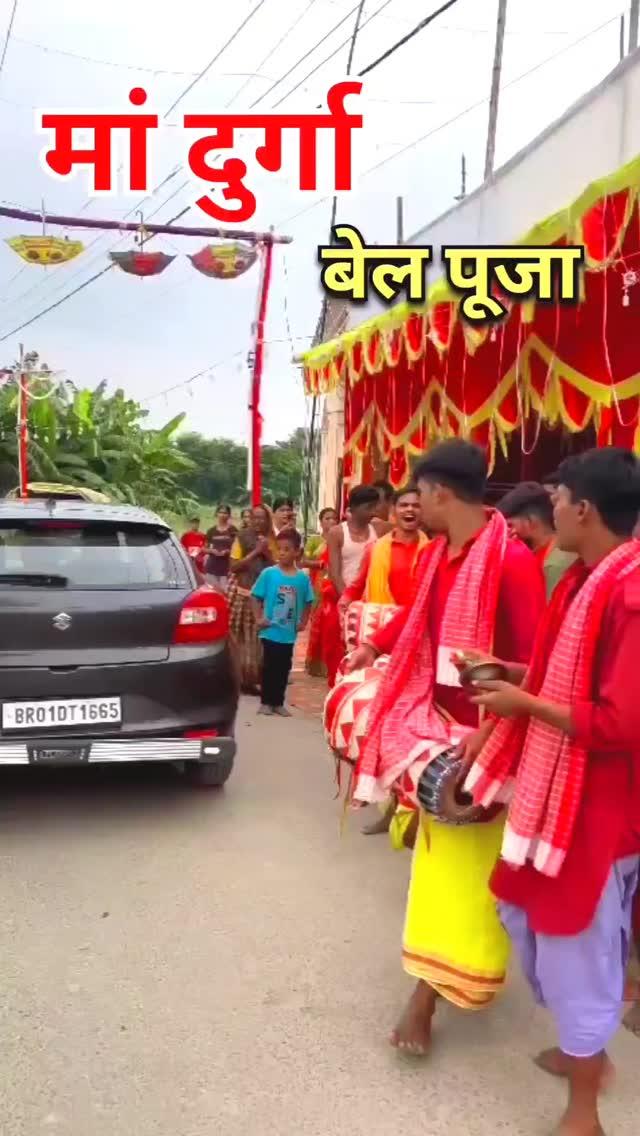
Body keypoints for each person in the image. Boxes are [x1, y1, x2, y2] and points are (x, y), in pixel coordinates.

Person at [347, 439, 544, 1055]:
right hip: (433, 730)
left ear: (438, 492)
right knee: (444, 870)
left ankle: (428, 996)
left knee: (456, 877)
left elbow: (541, 664)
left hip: (490, 743)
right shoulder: (439, 556)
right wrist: (374, 649)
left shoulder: (510, 563)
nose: (410, 507)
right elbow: (414, 617)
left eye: (418, 495)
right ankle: (456, 975)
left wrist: (487, 724)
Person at [466, 447, 640, 1136]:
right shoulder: (581, 581)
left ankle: (585, 1109)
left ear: (585, 509)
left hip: (599, 812)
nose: (552, 509)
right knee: (528, 923)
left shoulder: (628, 593)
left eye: (560, 497)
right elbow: (561, 675)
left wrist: (523, 705)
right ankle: (583, 1050)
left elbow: (620, 722)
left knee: (578, 950)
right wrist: (511, 671)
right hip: (558, 798)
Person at [251, 529, 314, 717]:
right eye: (279, 549)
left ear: (297, 552)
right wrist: (259, 618)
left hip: (288, 634)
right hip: (270, 631)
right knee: (269, 666)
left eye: (287, 549)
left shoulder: (302, 578)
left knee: (283, 667)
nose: (282, 553)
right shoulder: (269, 574)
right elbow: (255, 597)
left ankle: (278, 702)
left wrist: (303, 622)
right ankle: (265, 702)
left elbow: (309, 601)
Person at [324, 485, 379, 686]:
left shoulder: (379, 529)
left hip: (371, 602)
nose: (373, 512)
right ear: (354, 508)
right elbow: (335, 572)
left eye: (375, 507)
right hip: (343, 599)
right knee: (339, 652)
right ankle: (337, 690)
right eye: (368, 507)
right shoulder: (337, 532)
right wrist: (347, 603)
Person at [340, 486, 428, 609]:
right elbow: (357, 586)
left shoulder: (432, 551)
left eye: (416, 506)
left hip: (419, 624)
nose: (410, 509)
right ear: (393, 510)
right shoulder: (374, 549)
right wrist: (345, 600)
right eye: (404, 505)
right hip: (383, 623)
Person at [228, 505, 278, 693]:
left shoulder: (274, 539)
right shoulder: (241, 537)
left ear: (268, 520)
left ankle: (260, 678)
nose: (258, 521)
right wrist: (256, 551)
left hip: (267, 597)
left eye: (262, 518)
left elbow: (280, 566)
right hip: (245, 594)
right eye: (254, 517)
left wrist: (267, 553)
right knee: (243, 639)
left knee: (263, 640)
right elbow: (234, 566)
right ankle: (243, 680)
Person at [499, 481, 576, 599]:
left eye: (510, 525)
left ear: (530, 522)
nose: (506, 532)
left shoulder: (555, 563)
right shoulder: (539, 552)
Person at [303, 507, 338, 677]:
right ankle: (315, 665)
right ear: (321, 521)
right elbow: (303, 561)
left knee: (332, 625)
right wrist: (321, 565)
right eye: (327, 518)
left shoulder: (341, 539)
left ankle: (330, 664)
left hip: (335, 584)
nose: (331, 522)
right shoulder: (315, 541)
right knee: (317, 623)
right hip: (317, 586)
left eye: (334, 519)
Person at [204, 506, 237, 592]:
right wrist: (212, 551)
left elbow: (237, 549)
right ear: (217, 514)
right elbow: (204, 548)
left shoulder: (233, 530)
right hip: (212, 567)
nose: (222, 515)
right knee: (212, 594)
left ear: (229, 515)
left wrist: (228, 551)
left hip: (227, 569)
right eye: (220, 512)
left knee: (225, 595)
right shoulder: (211, 531)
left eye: (225, 513)